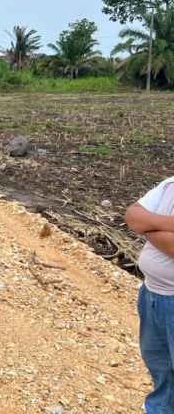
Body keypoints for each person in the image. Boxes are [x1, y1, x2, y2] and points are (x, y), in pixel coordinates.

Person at [125, 177, 174, 413]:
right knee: (163, 377)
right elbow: (132, 216)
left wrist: (147, 225)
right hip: (152, 294)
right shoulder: (171, 184)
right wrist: (165, 223)